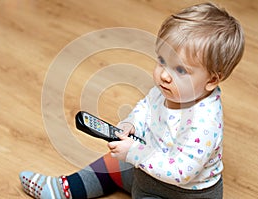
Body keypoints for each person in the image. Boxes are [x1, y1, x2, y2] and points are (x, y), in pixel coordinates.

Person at [19, 2, 244, 199]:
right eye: (162, 61)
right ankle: (64, 189)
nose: (164, 75)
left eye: (180, 70)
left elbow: (181, 173)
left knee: (128, 161)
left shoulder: (203, 122)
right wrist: (130, 124)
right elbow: (145, 108)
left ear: (212, 79)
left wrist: (135, 153)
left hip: (181, 193)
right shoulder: (169, 89)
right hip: (145, 171)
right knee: (112, 164)